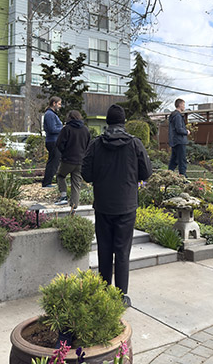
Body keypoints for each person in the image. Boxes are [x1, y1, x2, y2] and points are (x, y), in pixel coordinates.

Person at [82, 104, 152, 307]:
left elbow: (86, 173)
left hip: (103, 204)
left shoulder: (96, 144)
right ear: (123, 122)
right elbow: (146, 172)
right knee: (122, 251)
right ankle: (121, 296)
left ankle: (104, 291)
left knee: (104, 249)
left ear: (107, 122)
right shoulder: (135, 144)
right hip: (127, 205)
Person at [55, 110, 91, 210]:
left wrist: (64, 152)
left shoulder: (67, 129)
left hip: (67, 160)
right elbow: (89, 146)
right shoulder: (85, 130)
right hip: (80, 161)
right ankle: (74, 207)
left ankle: (63, 196)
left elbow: (59, 143)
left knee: (60, 176)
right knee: (76, 184)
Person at [42, 96, 63, 188]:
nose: (60, 106)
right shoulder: (50, 115)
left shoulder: (51, 114)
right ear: (53, 103)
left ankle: (47, 181)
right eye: (59, 104)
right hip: (53, 141)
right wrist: (63, 128)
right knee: (53, 162)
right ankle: (47, 182)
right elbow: (52, 129)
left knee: (53, 161)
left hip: (53, 141)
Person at [168, 98, 190, 177]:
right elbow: (179, 129)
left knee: (174, 160)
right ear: (180, 105)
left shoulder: (173, 115)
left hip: (174, 141)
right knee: (182, 160)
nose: (184, 106)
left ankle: (168, 175)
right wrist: (186, 132)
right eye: (183, 105)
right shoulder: (177, 115)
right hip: (180, 141)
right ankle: (183, 178)